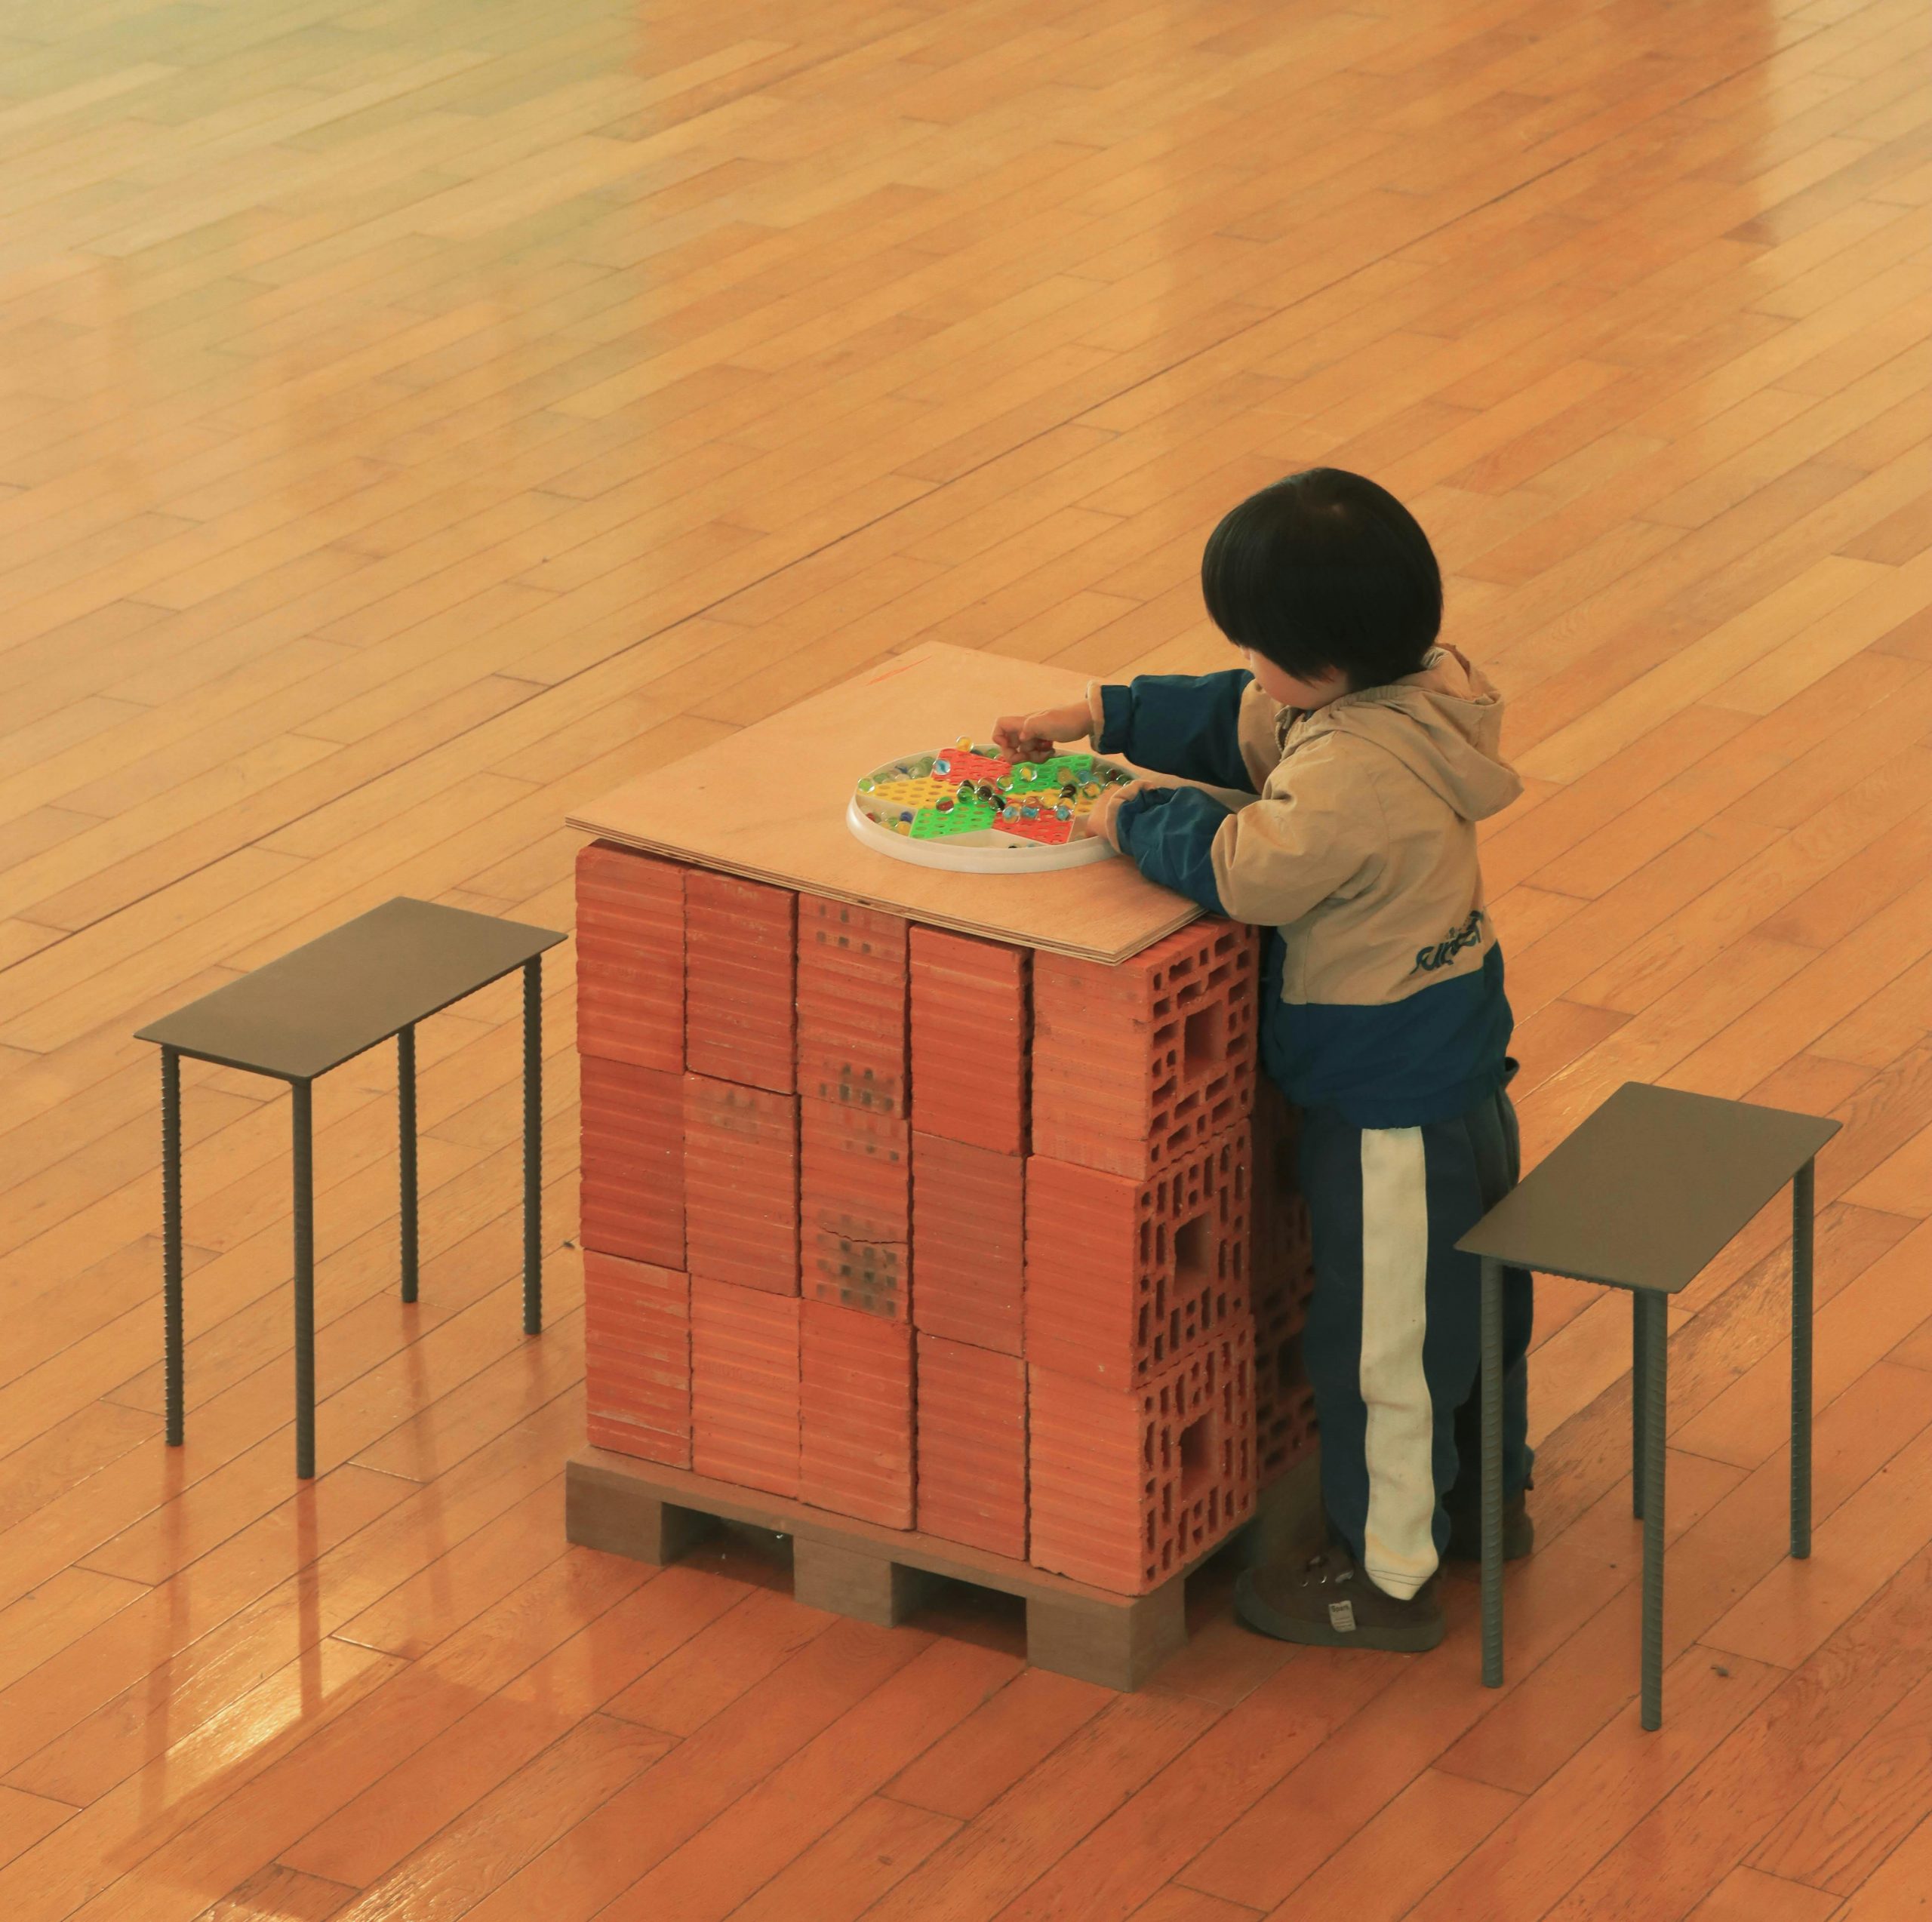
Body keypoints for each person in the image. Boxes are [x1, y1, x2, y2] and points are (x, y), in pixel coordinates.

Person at [994, 467, 1534, 1654]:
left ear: (1325, 665)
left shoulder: (1349, 770)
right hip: (1455, 1056)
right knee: (1474, 1304)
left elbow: (1251, 868)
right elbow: (1243, 719)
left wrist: (1124, 811)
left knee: (1382, 1341)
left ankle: (1388, 1579)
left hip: (1386, 1097)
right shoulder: (1416, 693)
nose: (1248, 665)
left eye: (1259, 646)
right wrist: (1105, 711)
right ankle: (1486, 1499)